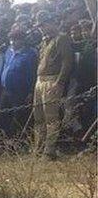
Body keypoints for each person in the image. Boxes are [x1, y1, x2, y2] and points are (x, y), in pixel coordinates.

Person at [32, 11, 74, 158]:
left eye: (43, 25)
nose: (41, 28)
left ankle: (49, 151)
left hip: (52, 80)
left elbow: (67, 62)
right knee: (38, 118)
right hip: (40, 80)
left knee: (51, 118)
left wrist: (59, 82)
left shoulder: (62, 39)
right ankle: (39, 148)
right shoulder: (45, 41)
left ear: (51, 23)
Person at [0, 29, 38, 137]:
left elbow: (32, 74)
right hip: (5, 90)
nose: (13, 42)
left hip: (20, 92)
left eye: (16, 40)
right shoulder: (8, 51)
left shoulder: (30, 54)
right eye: (11, 39)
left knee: (17, 118)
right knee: (2, 116)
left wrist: (30, 92)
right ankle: (3, 142)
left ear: (22, 40)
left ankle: (15, 143)